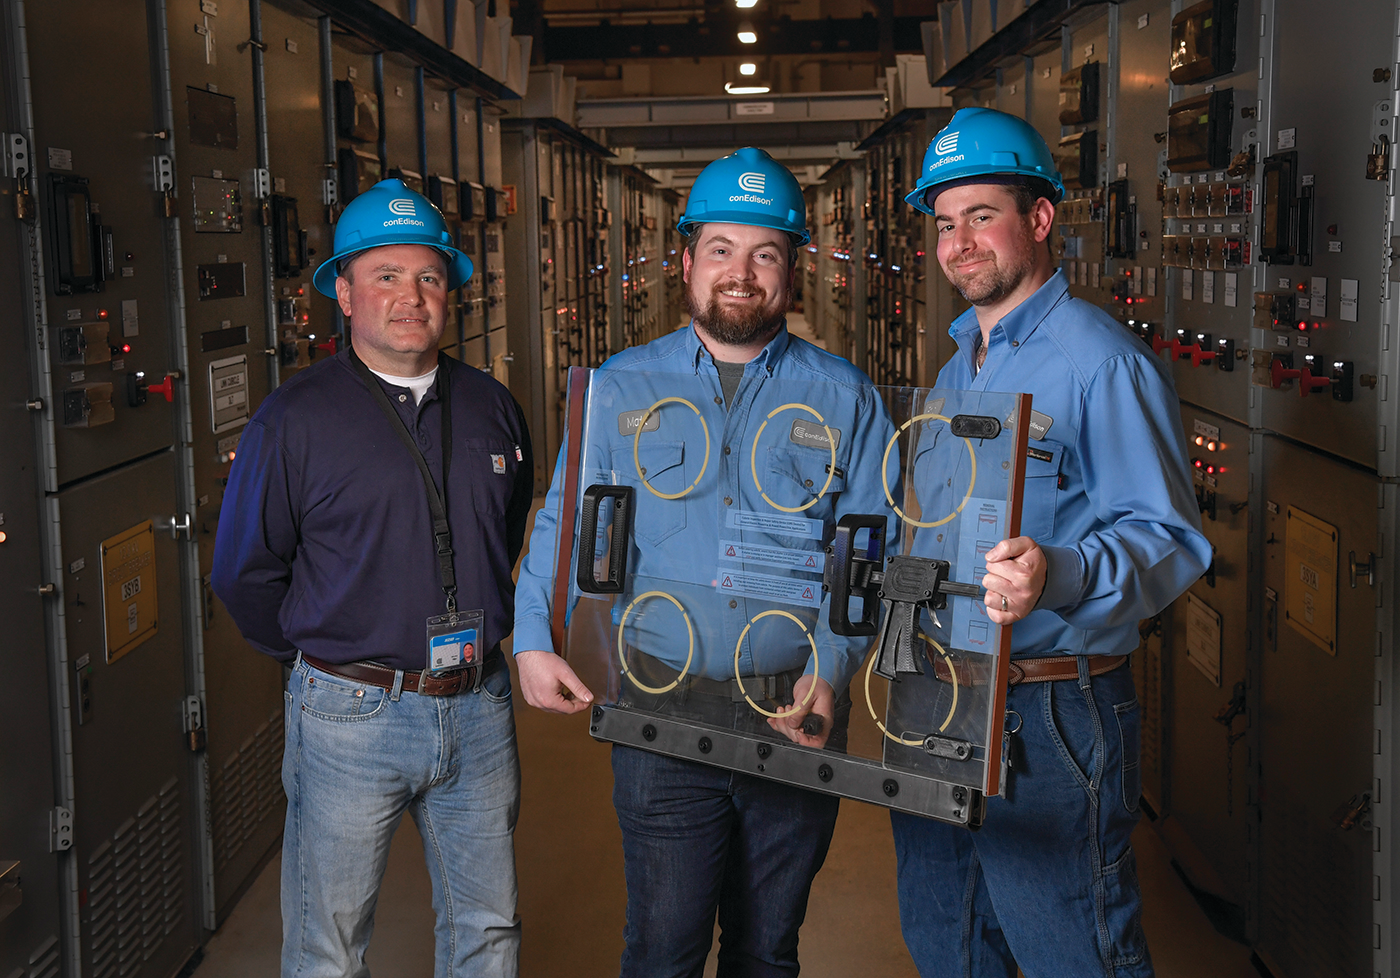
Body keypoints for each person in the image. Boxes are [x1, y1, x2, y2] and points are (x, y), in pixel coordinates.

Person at [511, 147, 895, 978]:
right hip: (662, 705)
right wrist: (532, 636)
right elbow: (566, 516)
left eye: (764, 253)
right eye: (720, 249)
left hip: (794, 705)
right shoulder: (621, 386)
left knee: (767, 950)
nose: (741, 273)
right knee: (664, 949)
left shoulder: (847, 397)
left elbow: (864, 547)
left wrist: (831, 671)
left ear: (792, 269)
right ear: (685, 261)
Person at [890, 107, 1212, 977]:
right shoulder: (963, 362)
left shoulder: (1097, 361)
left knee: (1073, 951)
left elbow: (1167, 537)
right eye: (945, 223)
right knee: (948, 943)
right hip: (941, 694)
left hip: (1051, 710)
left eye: (982, 216)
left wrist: (1058, 573)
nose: (959, 242)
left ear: (1039, 219)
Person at [211, 178, 534, 978]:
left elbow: (507, 527)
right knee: (329, 945)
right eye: (385, 276)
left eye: (427, 276)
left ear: (450, 291)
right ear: (345, 293)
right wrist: (325, 658)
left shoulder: (493, 405)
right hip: (348, 715)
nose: (409, 296)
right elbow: (244, 571)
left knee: (489, 929)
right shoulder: (294, 419)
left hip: (480, 706)